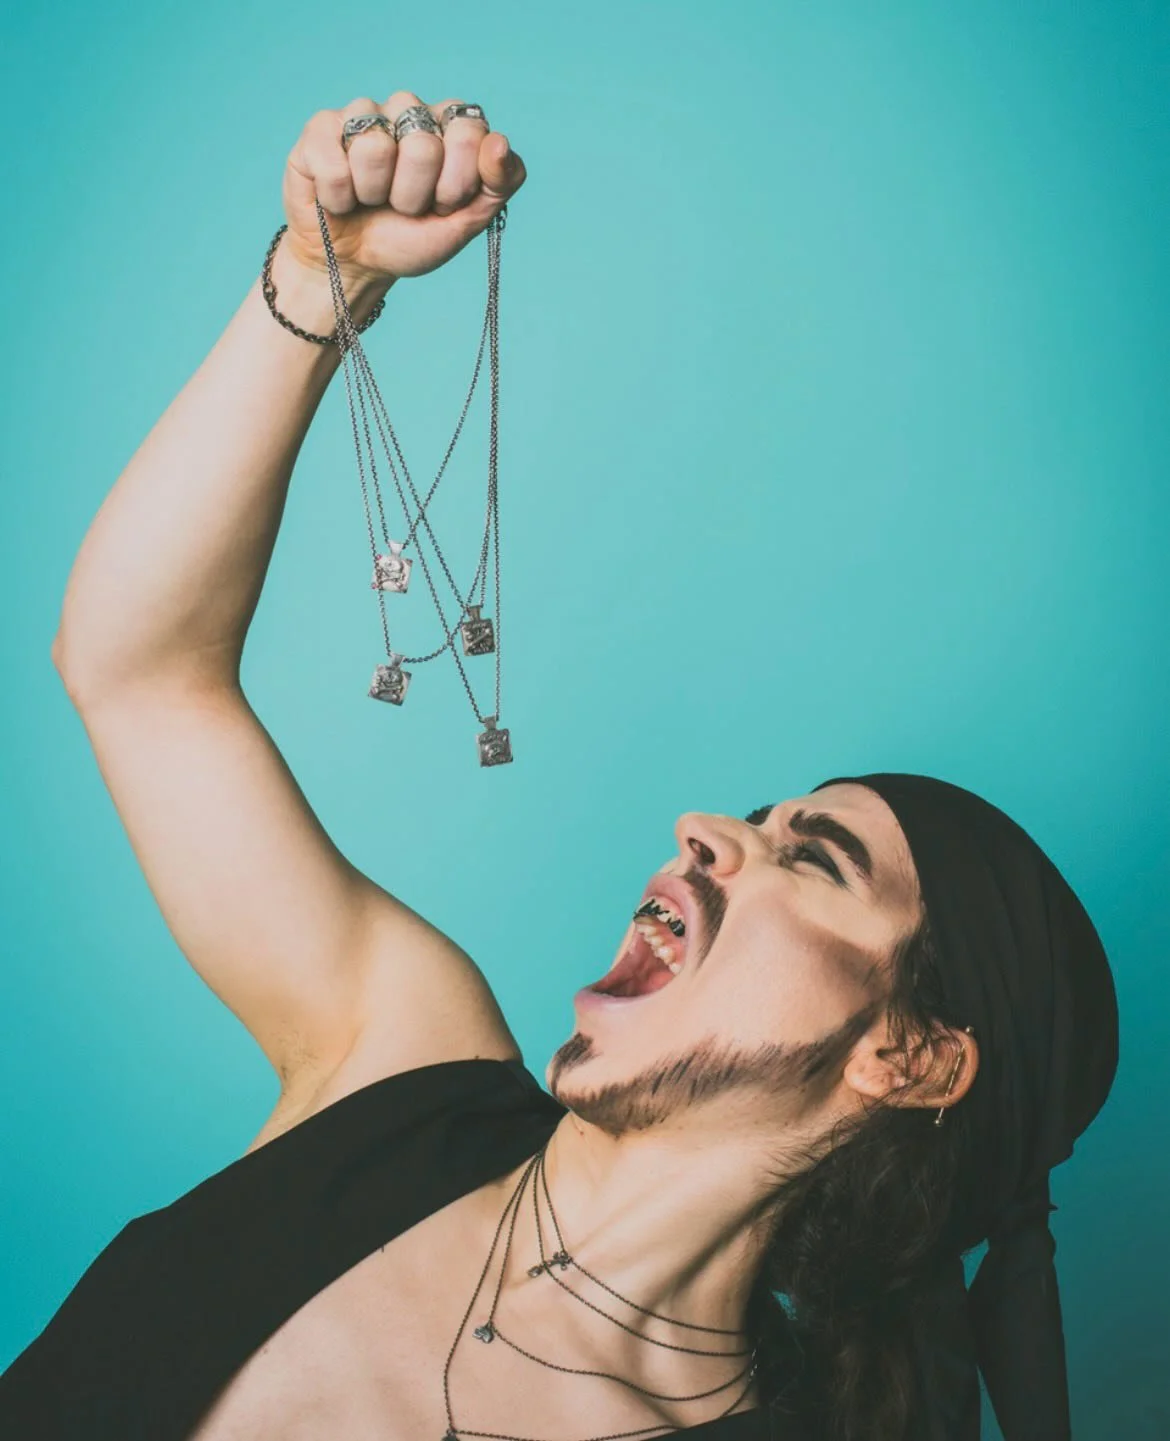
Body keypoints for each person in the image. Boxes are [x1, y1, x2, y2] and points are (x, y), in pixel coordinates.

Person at [2, 90, 1119, 1441]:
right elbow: (138, 671)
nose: (709, 827)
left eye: (811, 856)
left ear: (912, 1056)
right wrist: (323, 277)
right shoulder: (397, 1066)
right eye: (764, 818)